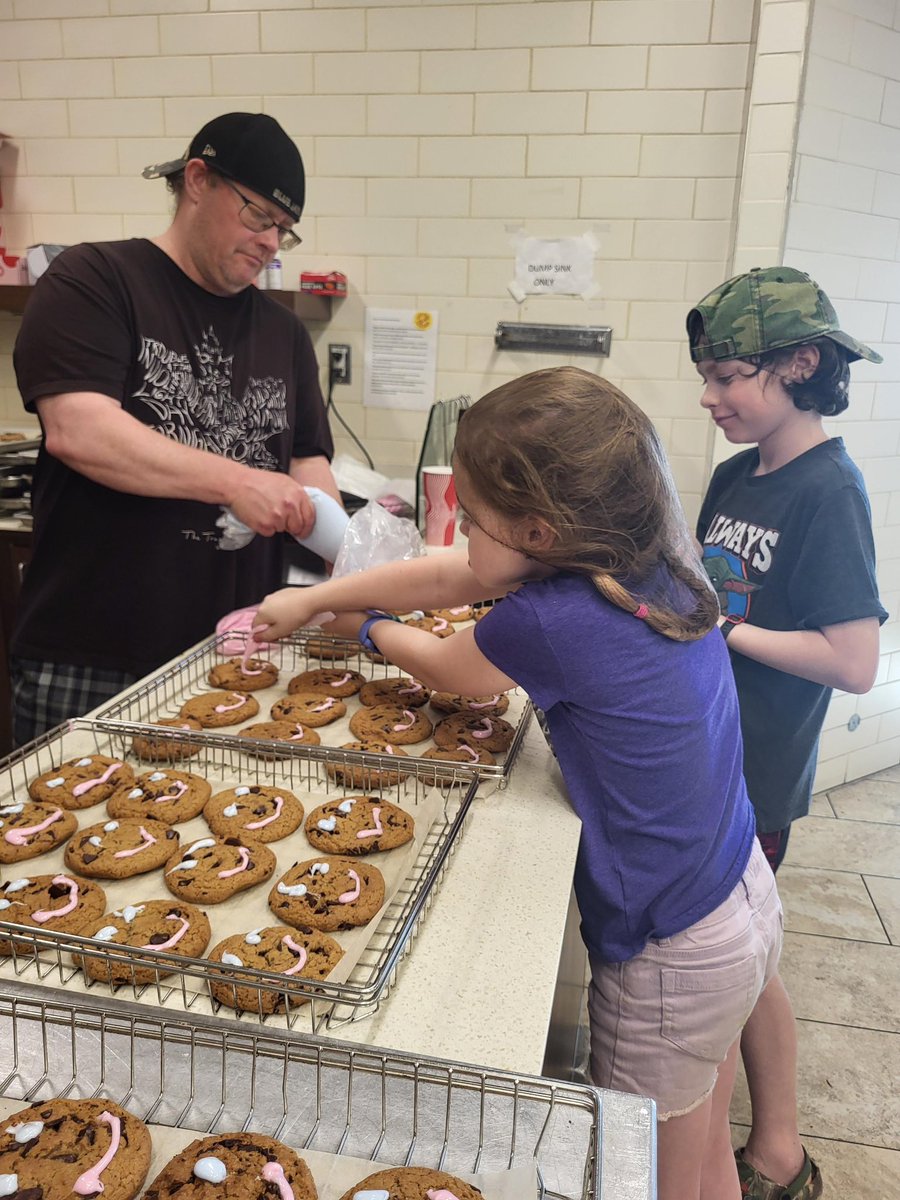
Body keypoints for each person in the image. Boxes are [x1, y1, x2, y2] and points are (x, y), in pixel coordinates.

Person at [254, 365, 784, 1200]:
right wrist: (319, 598)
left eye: (469, 516)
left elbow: (448, 667)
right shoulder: (647, 560)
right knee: (700, 1136)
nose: (459, 532)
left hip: (668, 949)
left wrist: (368, 629)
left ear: (538, 532)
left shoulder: (555, 618)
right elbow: (447, 577)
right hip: (737, 896)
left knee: (639, 1168)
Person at [11, 111, 338, 745]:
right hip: (93, 658)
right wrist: (239, 483)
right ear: (197, 180)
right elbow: (80, 429)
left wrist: (351, 553)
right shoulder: (94, 281)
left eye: (285, 230)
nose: (272, 241)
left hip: (234, 656)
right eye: (259, 216)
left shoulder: (285, 333)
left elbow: (306, 462)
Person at [690, 265, 887, 1200]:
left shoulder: (828, 491)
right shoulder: (737, 474)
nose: (712, 395)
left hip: (757, 770)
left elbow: (855, 660)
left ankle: (774, 1152)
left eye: (731, 374)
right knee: (749, 959)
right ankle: (775, 1144)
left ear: (800, 363)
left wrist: (727, 630)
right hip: (707, 753)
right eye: (709, 374)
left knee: (739, 967)